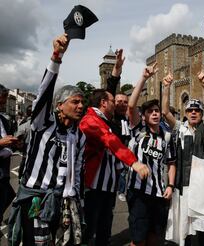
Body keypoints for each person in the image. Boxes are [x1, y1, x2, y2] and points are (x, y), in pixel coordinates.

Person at [8, 34, 86, 245]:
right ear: (59, 105)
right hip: (37, 199)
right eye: (75, 102)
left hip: (64, 202)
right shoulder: (43, 124)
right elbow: (43, 93)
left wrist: (77, 200)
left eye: (82, 103)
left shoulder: (79, 135)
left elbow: (77, 170)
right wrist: (56, 57)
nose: (80, 106)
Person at [79, 88, 149, 246]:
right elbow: (109, 140)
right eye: (113, 101)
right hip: (94, 186)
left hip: (107, 186)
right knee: (89, 228)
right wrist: (134, 162)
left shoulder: (106, 120)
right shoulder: (90, 119)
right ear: (103, 103)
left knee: (104, 227)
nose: (116, 105)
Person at [163, 71, 204, 246]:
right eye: (190, 110)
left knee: (203, 222)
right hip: (184, 182)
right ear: (185, 113)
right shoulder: (180, 128)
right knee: (185, 225)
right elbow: (165, 111)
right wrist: (166, 88)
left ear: (201, 114)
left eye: (197, 110)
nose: (193, 113)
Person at [127, 63, 176, 246]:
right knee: (138, 239)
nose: (155, 114)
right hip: (139, 192)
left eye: (157, 111)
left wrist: (170, 185)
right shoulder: (138, 129)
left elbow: (171, 162)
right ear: (144, 116)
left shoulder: (166, 136)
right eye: (150, 112)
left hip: (159, 193)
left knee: (155, 238)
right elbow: (131, 106)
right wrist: (144, 78)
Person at [105, 48, 132, 202]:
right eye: (118, 101)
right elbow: (110, 86)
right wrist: (117, 68)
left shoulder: (129, 119)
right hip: (111, 158)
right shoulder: (110, 116)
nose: (122, 104)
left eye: (125, 102)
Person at [0, 84, 17, 229]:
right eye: (2, 100)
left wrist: (15, 143)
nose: (4, 103)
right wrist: (1, 143)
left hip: (4, 171)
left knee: (9, 195)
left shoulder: (3, 120)